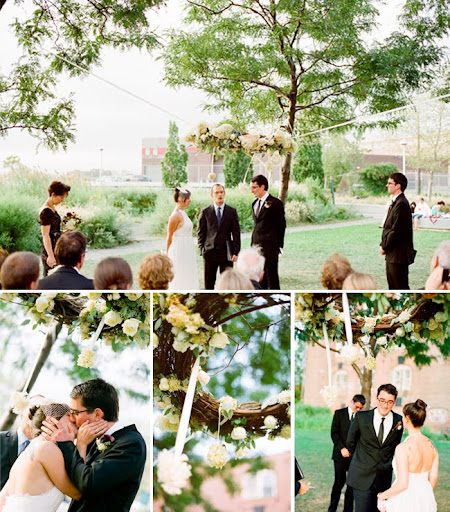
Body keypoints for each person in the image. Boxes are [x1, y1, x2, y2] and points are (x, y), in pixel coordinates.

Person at [41, 378, 146, 512]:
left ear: (97, 414)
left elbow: (88, 483)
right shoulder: (91, 438)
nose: (72, 418)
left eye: (75, 413)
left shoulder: (130, 444)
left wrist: (72, 445)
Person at [0, 402, 81, 512]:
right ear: (51, 420)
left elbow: (2, 499)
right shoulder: (47, 448)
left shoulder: (32, 447)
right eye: (68, 416)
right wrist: (82, 445)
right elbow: (77, 493)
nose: (74, 420)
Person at [347, 384, 404, 512]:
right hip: (361, 477)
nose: (385, 405)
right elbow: (351, 441)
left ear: (394, 402)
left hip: (384, 479)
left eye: (390, 402)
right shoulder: (361, 417)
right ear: (377, 398)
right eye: (382, 401)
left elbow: (394, 447)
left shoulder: (398, 421)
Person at [377, 400, 438, 512]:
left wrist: (381, 496)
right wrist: (424, 495)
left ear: (407, 418)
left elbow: (403, 484)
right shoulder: (432, 446)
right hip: (425, 499)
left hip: (405, 500)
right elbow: (433, 477)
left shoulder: (403, 448)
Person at [197, 184, 241, 289]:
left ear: (224, 194)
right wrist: (201, 250)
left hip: (227, 253)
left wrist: (236, 252)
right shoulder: (205, 212)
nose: (219, 194)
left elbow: (236, 233)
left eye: (221, 192)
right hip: (209, 252)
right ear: (212, 194)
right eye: (216, 192)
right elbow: (200, 233)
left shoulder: (232, 211)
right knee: (209, 284)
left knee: (227, 285)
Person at [328, 394, 366, 512]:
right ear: (352, 402)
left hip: (354, 458)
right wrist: (341, 448)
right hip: (339, 456)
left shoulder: (361, 417)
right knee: (338, 484)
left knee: (351, 486)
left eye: (360, 408)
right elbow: (334, 433)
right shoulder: (339, 413)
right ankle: (332, 509)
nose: (358, 410)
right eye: (357, 407)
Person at [0, 395, 46, 490]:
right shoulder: (1, 439)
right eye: (33, 408)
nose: (36, 413)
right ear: (21, 412)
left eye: (41, 411)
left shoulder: (45, 452)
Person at [379, 173, 416, 290]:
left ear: (398, 186)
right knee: (393, 286)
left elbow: (396, 231)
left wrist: (384, 246)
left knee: (400, 287)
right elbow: (388, 227)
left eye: (390, 183)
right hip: (393, 254)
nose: (387, 185)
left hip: (398, 255)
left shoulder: (402, 204)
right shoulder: (396, 202)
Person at [250, 174, 286, 289]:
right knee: (259, 279)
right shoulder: (254, 203)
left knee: (272, 277)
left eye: (254, 187)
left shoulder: (276, 203)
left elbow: (281, 226)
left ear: (262, 187)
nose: (252, 191)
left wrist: (279, 246)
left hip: (270, 247)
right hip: (256, 247)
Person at [166, 187, 199, 289]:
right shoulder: (175, 216)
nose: (190, 200)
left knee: (188, 273)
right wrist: (167, 256)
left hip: (187, 248)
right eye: (188, 198)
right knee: (180, 275)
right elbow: (169, 236)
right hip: (179, 250)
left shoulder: (183, 213)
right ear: (181, 199)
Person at [38, 181, 71, 276]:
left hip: (56, 246)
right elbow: (45, 235)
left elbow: (53, 230)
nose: (62, 200)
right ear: (53, 194)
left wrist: (63, 232)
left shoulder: (51, 208)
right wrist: (50, 256)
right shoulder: (46, 211)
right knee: (52, 278)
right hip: (50, 249)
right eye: (61, 197)